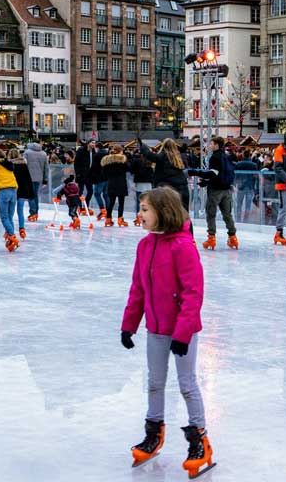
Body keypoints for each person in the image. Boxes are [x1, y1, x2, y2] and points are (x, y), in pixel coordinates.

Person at [120, 187, 211, 476]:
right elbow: (138, 289)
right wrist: (129, 324)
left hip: (182, 331)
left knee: (187, 385)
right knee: (155, 382)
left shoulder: (183, 246)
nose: (140, 214)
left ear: (163, 212)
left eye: (145, 209)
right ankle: (154, 434)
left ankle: (200, 439)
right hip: (156, 329)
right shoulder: (145, 246)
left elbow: (193, 293)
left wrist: (183, 334)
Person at [190, 137, 237, 250]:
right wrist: (206, 183)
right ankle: (233, 237)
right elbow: (221, 174)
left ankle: (211, 238)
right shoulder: (226, 156)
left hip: (215, 191)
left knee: (211, 213)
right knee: (227, 214)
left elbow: (213, 173)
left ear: (216, 145)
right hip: (226, 190)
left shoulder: (214, 157)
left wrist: (196, 173)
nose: (210, 145)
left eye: (211, 143)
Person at [138, 137, 190, 211]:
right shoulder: (179, 157)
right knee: (182, 213)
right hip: (182, 188)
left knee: (167, 213)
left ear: (164, 146)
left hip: (167, 191)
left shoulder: (163, 155)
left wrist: (143, 146)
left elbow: (151, 155)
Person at [101, 146, 130, 228]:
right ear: (120, 151)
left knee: (111, 202)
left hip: (111, 183)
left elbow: (103, 173)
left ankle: (108, 219)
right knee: (121, 202)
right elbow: (128, 168)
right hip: (121, 183)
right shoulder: (122, 160)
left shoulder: (107, 161)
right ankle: (120, 219)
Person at [9, 148, 35, 238]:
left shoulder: (9, 165)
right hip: (23, 190)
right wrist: (31, 192)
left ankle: (9, 230)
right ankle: (22, 229)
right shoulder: (23, 164)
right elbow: (28, 178)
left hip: (13, 190)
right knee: (20, 211)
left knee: (10, 212)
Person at [24, 141, 49, 223]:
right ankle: (36, 212)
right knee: (35, 195)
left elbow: (24, 165)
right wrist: (45, 179)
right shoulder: (43, 154)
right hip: (39, 178)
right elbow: (46, 167)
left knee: (31, 195)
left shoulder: (27, 153)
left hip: (28, 177)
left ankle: (33, 212)